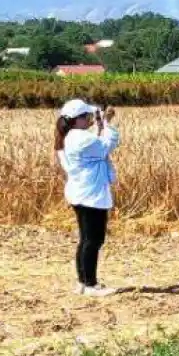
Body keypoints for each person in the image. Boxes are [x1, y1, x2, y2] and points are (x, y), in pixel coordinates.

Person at [53, 98, 121, 296]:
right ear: (78, 119)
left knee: (85, 239)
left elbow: (95, 143)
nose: (90, 119)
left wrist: (100, 125)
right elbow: (108, 143)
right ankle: (90, 284)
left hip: (80, 192)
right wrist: (106, 124)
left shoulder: (70, 137)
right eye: (87, 116)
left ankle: (82, 282)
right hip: (92, 195)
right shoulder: (81, 139)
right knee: (94, 240)